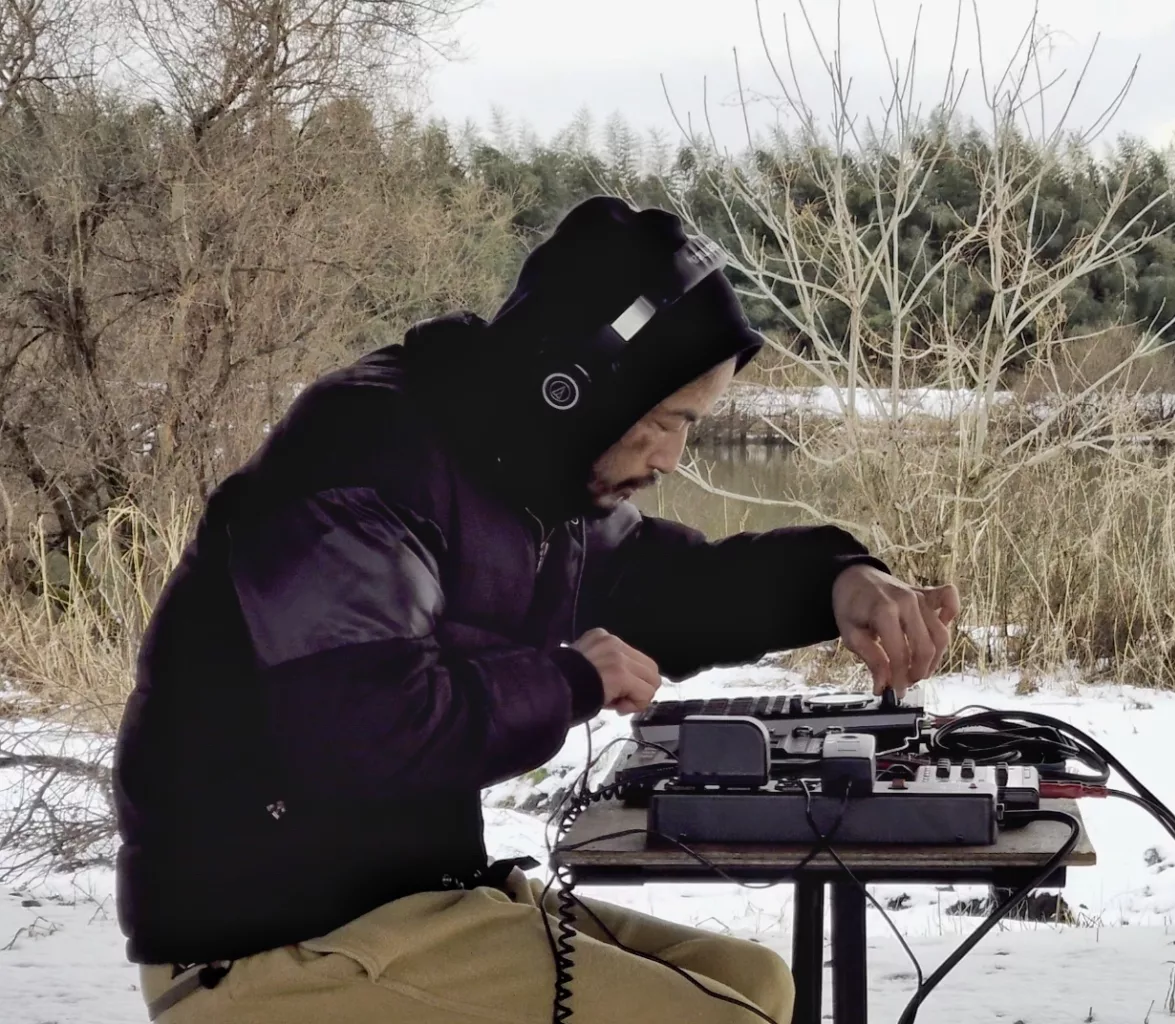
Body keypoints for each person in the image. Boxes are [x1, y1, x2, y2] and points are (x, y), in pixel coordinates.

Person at [110, 195, 962, 1023]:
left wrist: (834, 580)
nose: (673, 455)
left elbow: (670, 586)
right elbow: (363, 726)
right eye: (666, 420)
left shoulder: (534, 481)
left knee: (755, 982)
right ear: (575, 386)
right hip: (266, 937)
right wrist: (568, 681)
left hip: (398, 901)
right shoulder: (362, 455)